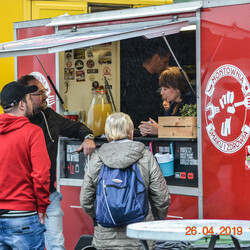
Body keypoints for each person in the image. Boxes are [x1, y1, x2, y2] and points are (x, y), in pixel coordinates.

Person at [18, 74, 96, 250]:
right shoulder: (16, 123)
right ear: (26, 98)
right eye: (40, 93)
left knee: (56, 245)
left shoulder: (49, 115)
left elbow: (75, 127)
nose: (46, 96)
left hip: (49, 195)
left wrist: (88, 137)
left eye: (45, 91)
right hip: (24, 198)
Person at [80, 112, 171, 250]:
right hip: (140, 235)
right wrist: (156, 220)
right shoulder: (146, 157)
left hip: (106, 238)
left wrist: (102, 216)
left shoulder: (97, 159)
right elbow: (162, 198)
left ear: (108, 135)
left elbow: (85, 200)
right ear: (131, 133)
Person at [0, 81, 51, 249]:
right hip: (23, 216)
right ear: (21, 105)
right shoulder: (33, 132)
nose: (31, 103)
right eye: (29, 99)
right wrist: (42, 207)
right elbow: (41, 175)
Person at [121, 39, 170, 128]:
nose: (167, 66)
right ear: (156, 58)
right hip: (140, 129)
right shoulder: (136, 80)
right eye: (165, 62)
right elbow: (139, 107)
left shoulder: (155, 78)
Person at [139, 67, 196, 136]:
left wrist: (160, 130)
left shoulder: (193, 103)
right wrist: (149, 130)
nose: (161, 93)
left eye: (165, 89)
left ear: (177, 87)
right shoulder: (171, 108)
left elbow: (190, 132)